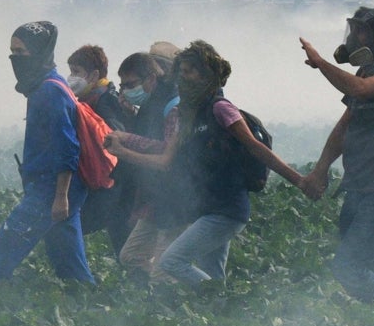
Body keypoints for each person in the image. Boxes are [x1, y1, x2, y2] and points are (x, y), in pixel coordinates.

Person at [107, 40, 311, 290]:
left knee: (172, 261)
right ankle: (221, 314)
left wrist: (299, 180)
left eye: (190, 71)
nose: (184, 78)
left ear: (208, 74)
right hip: (207, 209)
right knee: (212, 274)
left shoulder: (221, 108)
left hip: (226, 209)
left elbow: (256, 148)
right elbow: (166, 158)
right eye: (181, 72)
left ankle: (226, 303)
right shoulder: (188, 113)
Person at [300, 3, 374, 310]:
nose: (353, 37)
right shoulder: (366, 69)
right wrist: (321, 168)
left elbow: (362, 89)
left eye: (361, 32)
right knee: (366, 267)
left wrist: (320, 63)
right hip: (357, 186)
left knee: (348, 267)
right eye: (352, 30)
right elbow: (345, 126)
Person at [0, 21, 95, 285]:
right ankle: (88, 301)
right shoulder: (47, 84)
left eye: (21, 52)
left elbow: (67, 147)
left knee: (1, 254)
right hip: (58, 188)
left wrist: (60, 197)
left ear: (39, 51)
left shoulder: (49, 91)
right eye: (12, 52)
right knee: (69, 262)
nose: (15, 59)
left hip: (50, 188)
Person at [113, 51, 180, 283]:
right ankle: (153, 299)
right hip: (156, 197)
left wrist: (125, 141)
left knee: (165, 271)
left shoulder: (173, 105)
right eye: (123, 85)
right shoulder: (153, 102)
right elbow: (149, 136)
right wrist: (130, 117)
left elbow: (167, 151)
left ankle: (175, 305)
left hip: (177, 198)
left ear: (151, 78)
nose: (126, 91)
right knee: (130, 256)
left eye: (131, 84)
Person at [65, 44, 129, 252]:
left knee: (72, 228)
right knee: (122, 244)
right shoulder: (92, 97)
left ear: (93, 75)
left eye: (77, 72)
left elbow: (116, 136)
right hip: (106, 183)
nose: (71, 77)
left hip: (111, 184)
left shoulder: (105, 100)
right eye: (71, 71)